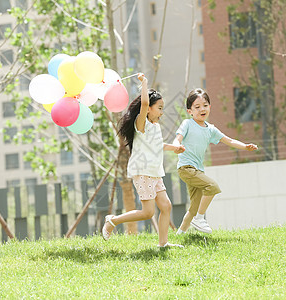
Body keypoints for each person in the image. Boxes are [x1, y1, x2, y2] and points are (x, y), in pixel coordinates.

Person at [102, 73, 185, 248]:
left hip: (154, 172)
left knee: (166, 206)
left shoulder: (154, 127)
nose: (162, 112)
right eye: (160, 108)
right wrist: (145, 83)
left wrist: (174, 148)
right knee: (148, 212)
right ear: (148, 109)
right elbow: (145, 102)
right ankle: (112, 221)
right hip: (143, 171)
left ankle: (163, 243)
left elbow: (157, 145)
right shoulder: (141, 124)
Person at [173, 88, 258, 234]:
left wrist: (245, 146)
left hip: (197, 170)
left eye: (205, 105)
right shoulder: (188, 124)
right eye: (197, 107)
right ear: (190, 111)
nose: (202, 109)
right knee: (212, 186)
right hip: (186, 168)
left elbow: (229, 140)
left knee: (194, 207)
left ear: (210, 107)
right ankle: (200, 219)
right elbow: (178, 137)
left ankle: (181, 233)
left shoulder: (211, 129)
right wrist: (176, 145)